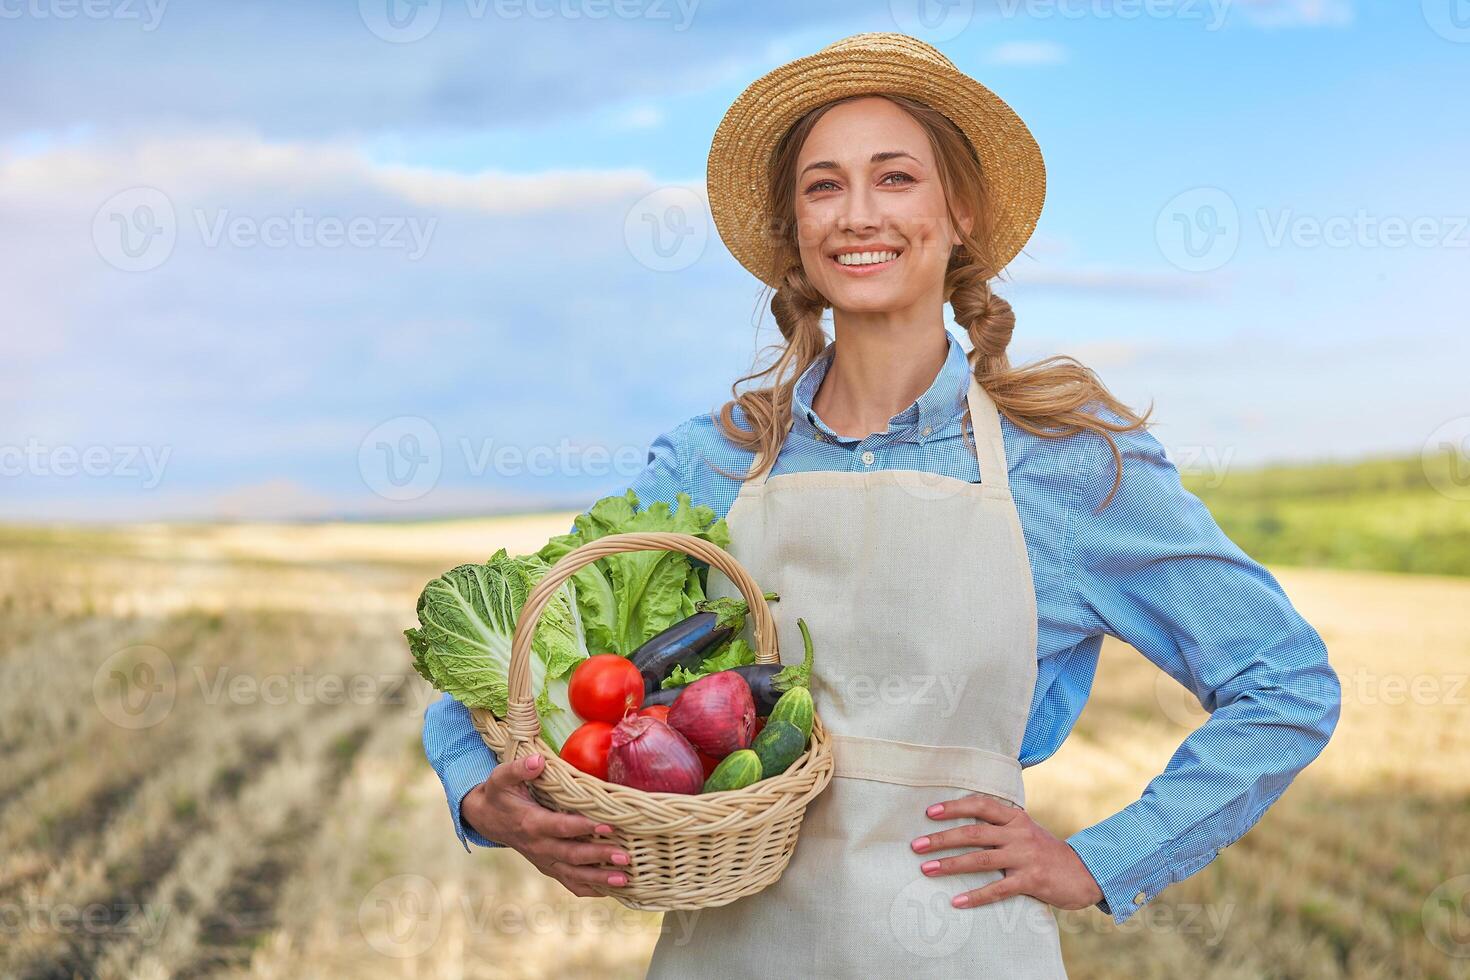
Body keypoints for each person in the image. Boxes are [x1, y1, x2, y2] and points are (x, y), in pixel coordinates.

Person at [421, 32, 1341, 978]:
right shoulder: (715, 461)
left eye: (895, 177)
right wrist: (478, 798)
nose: (857, 214)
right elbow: (516, 658)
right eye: (824, 186)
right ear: (794, 228)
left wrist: (1099, 861)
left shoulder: (1067, 463)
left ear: (961, 212)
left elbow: (1286, 685)